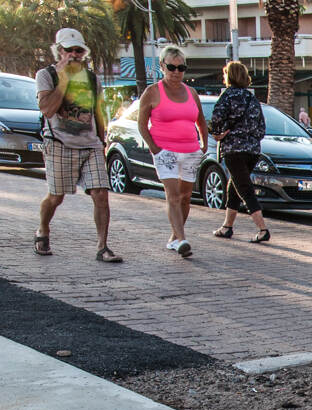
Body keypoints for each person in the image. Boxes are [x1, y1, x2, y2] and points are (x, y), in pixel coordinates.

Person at [34, 28, 122, 263]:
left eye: (79, 50)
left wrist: (102, 142)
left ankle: (102, 247)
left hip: (90, 144)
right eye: (69, 50)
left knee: (101, 194)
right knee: (56, 197)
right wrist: (64, 80)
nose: (74, 55)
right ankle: (42, 230)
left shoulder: (92, 78)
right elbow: (48, 109)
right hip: (60, 143)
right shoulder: (47, 75)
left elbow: (99, 112)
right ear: (59, 51)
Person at [138, 46, 207, 258]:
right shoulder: (152, 92)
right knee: (173, 195)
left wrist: (203, 146)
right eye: (171, 67)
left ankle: (174, 238)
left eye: (181, 68)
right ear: (162, 66)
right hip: (165, 150)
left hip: (190, 151)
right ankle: (182, 239)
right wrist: (155, 149)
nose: (176, 72)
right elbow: (141, 125)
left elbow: (201, 122)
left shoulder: (191, 92)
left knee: (186, 197)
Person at [208, 61, 269, 243]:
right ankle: (227, 226)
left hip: (233, 150)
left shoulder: (227, 97)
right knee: (234, 186)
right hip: (252, 151)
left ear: (230, 76)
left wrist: (220, 134)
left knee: (244, 188)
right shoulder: (252, 99)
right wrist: (250, 138)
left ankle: (262, 229)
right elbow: (261, 128)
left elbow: (216, 120)